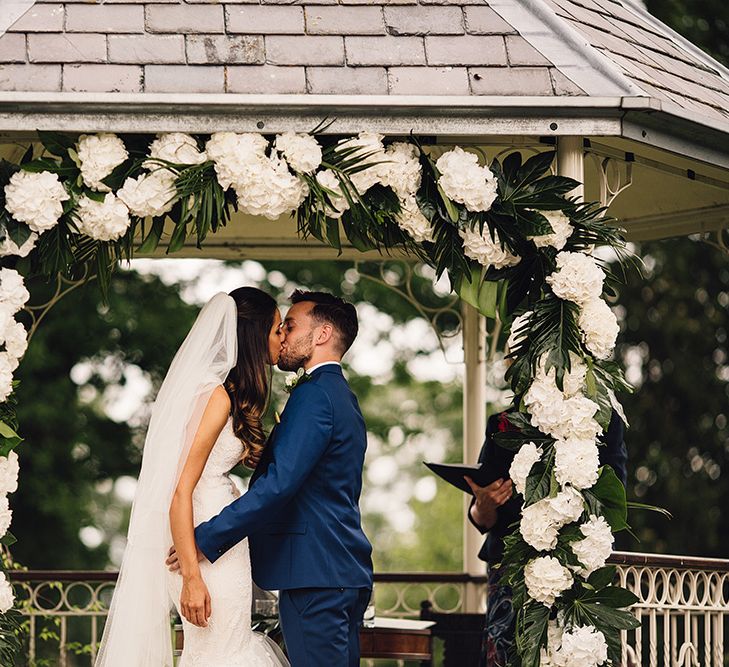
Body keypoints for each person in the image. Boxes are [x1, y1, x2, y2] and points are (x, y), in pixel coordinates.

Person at [171, 290, 373, 667]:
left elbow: (279, 485)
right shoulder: (339, 395)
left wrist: (205, 536)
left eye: (290, 326)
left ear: (322, 334)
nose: (283, 336)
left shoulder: (314, 396)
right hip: (336, 569)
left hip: (316, 576)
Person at [96, 288, 290, 667]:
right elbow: (180, 489)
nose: (281, 337)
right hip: (203, 550)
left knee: (222, 649)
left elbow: (202, 475)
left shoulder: (222, 393)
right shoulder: (216, 397)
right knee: (220, 652)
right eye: (277, 329)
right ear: (253, 336)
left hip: (217, 539)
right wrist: (190, 577)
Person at [466, 410, 628, 667]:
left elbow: (613, 503)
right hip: (511, 573)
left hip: (580, 567)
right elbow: (480, 516)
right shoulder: (503, 423)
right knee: (510, 655)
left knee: (580, 654)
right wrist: (484, 505)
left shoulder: (603, 418)